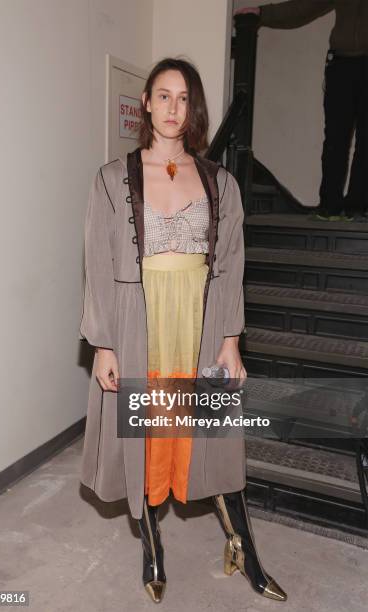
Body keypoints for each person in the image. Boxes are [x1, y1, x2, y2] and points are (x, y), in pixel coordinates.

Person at [79, 57, 287, 603]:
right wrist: (102, 343)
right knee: (145, 438)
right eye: (163, 96)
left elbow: (231, 264)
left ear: (193, 108)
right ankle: (153, 549)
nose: (174, 108)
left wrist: (230, 340)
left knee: (214, 441)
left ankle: (247, 552)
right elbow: (98, 264)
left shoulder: (220, 181)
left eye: (184, 98)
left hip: (204, 320)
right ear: (146, 102)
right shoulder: (110, 178)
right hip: (135, 323)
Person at [236, 1, 368, 221]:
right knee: (335, 138)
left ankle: (358, 206)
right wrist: (262, 13)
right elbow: (304, 7)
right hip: (341, 64)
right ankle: (330, 206)